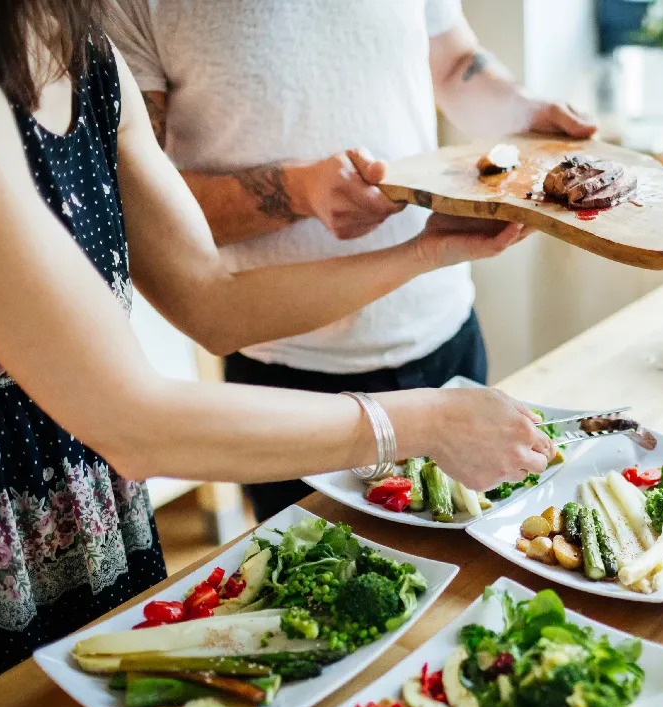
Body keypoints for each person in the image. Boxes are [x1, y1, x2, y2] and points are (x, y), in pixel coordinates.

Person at [0, 3, 554, 707]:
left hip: (83, 508)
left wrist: (428, 250)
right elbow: (134, 422)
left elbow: (214, 300)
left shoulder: (84, 48)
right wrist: (427, 421)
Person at [109, 0, 597, 523]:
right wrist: (295, 192)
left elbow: (455, 64)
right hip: (290, 382)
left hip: (447, 335)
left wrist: (524, 111)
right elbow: (141, 211)